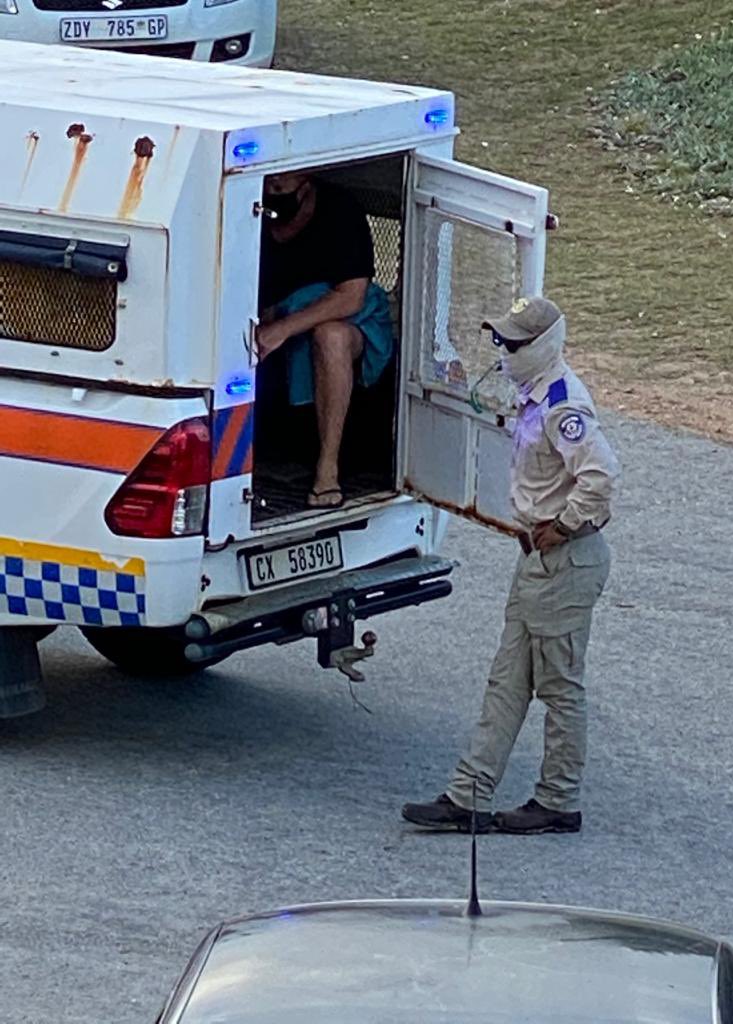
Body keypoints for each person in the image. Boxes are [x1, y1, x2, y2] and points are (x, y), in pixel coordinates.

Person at [402, 296, 620, 835]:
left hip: (564, 559)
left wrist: (564, 525)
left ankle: (558, 800)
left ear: (541, 346)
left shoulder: (563, 405)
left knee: (560, 686)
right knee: (507, 681)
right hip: (540, 561)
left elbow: (601, 475)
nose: (502, 351)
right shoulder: (536, 394)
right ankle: (467, 795)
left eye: (513, 343)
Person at [256, 172, 394, 509]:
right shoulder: (251, 214)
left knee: (329, 336)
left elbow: (351, 297)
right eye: (266, 186)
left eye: (278, 189)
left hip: (350, 321)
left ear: (305, 187)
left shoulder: (340, 211)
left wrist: (283, 329)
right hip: (277, 315)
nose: (270, 195)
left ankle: (327, 468)